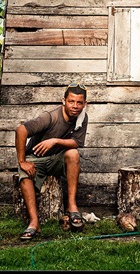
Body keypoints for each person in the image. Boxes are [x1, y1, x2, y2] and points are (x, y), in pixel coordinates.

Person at [16, 83, 88, 240]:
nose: (75, 106)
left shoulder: (82, 117)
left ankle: (72, 206)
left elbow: (77, 143)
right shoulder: (50, 117)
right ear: (63, 101)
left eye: (79, 102)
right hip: (37, 159)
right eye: (71, 101)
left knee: (73, 154)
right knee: (24, 174)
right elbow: (21, 130)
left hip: (56, 159)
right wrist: (22, 161)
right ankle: (34, 223)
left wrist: (55, 141)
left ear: (84, 104)